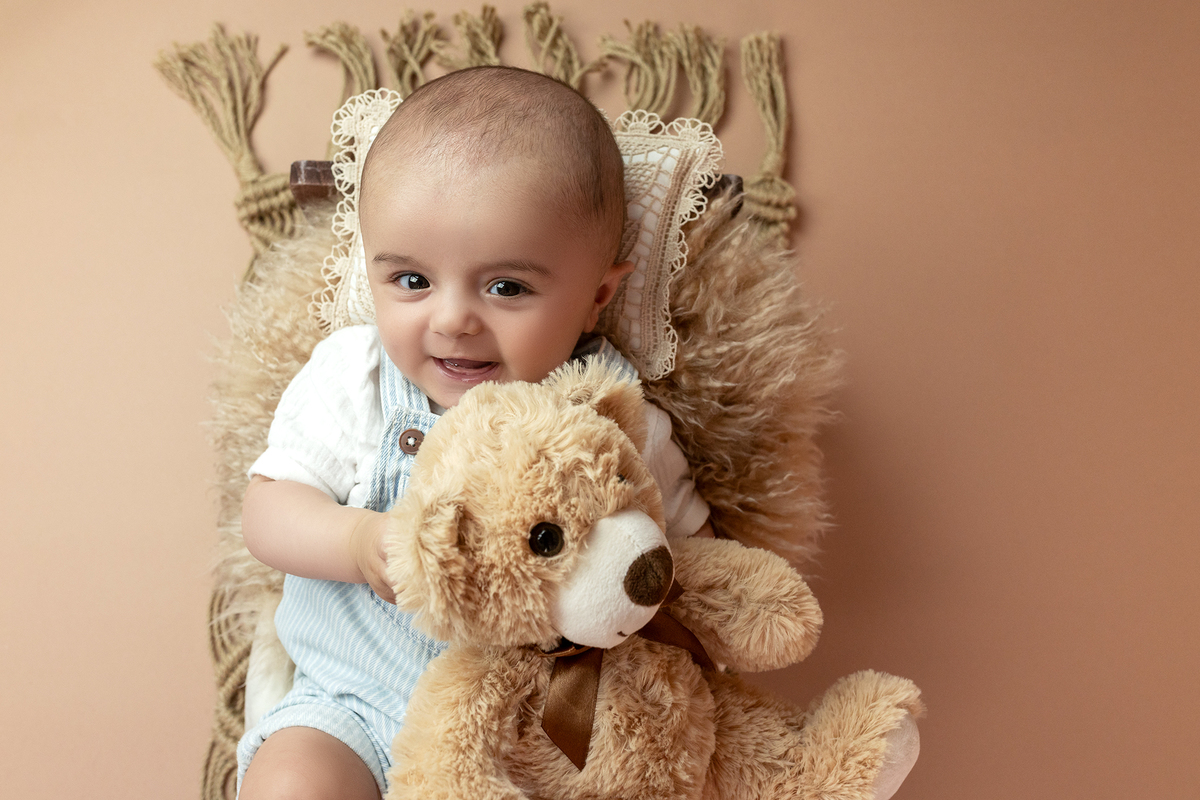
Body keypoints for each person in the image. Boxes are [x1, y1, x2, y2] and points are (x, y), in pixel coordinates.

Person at [236, 66, 712, 800]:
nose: (452, 319)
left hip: (531, 739)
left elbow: (683, 561)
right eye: (412, 281)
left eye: (506, 288)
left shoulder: (614, 418)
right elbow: (267, 511)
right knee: (293, 784)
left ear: (597, 297)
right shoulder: (355, 378)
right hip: (350, 713)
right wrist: (358, 541)